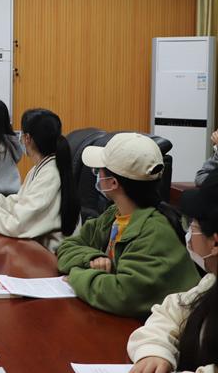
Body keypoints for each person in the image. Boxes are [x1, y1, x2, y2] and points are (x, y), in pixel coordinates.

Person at [57, 133, 200, 319]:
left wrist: (76, 276)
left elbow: (122, 295)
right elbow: (66, 247)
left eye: (99, 171)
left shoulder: (155, 231)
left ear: (113, 183)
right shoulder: (114, 214)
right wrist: (92, 258)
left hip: (159, 328)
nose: (96, 175)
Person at [127, 170, 218, 373]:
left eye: (192, 223)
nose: (189, 231)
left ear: (215, 242)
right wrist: (155, 351)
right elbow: (171, 312)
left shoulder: (154, 228)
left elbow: (124, 293)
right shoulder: (211, 282)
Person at [0, 108, 79, 253]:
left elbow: (17, 224)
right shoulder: (41, 168)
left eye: (21, 134)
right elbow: (21, 201)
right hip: (38, 247)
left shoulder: (50, 174)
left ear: (27, 138)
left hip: (51, 255)